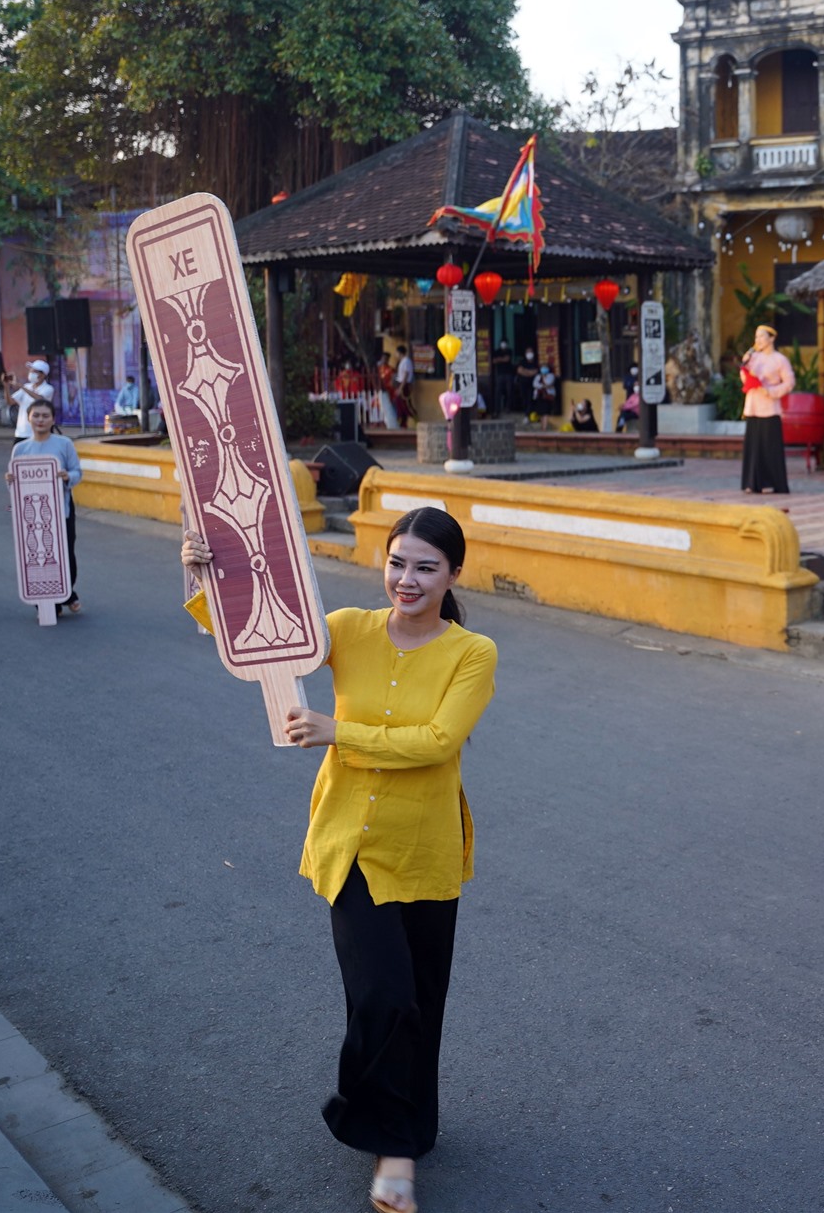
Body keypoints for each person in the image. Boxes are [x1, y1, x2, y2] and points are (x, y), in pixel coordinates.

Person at [181, 506, 496, 1213]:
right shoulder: (350, 628)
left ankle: (414, 1125)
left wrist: (335, 731)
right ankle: (393, 1149)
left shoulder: (472, 654)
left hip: (426, 849)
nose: (406, 579)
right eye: (397, 562)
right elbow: (267, 642)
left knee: (420, 998)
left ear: (452, 575)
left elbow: (439, 741)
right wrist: (205, 577)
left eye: (424, 567)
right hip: (349, 843)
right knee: (383, 996)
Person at [9, 398, 84, 615]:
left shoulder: (64, 444)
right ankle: (45, 600)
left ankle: (67, 592)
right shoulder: (21, 448)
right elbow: (14, 482)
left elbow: (77, 473)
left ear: (52, 419)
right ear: (28, 418)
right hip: (31, 515)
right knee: (36, 554)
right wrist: (11, 480)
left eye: (45, 416)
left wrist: (66, 476)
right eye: (36, 415)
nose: (40, 420)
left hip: (62, 509)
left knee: (65, 553)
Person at [740, 325, 795, 494]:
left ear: (771, 338)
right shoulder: (753, 357)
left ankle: (773, 482)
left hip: (770, 407)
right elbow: (744, 377)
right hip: (753, 405)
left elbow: (789, 382)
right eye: (756, 337)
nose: (758, 340)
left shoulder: (780, 360)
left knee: (769, 447)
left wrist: (772, 391)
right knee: (753, 446)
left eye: (762, 337)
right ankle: (752, 482)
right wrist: (746, 366)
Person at [8, 360, 54, 441]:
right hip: (22, 432)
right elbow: (10, 402)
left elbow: (39, 398)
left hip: (37, 433)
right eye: (31, 371)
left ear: (43, 375)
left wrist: (20, 386)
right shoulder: (27, 387)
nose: (31, 373)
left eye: (35, 371)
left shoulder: (48, 388)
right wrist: (6, 387)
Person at [392, 348, 417, 423]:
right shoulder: (402, 361)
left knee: (406, 405)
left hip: (404, 385)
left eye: (396, 353)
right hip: (400, 383)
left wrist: (401, 388)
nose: (396, 355)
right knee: (399, 404)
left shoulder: (406, 361)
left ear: (400, 353)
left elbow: (406, 375)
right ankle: (403, 422)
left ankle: (415, 419)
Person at [516, 348, 540, 415]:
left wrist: (525, 371)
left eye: (531, 352)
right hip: (523, 383)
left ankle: (529, 413)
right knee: (524, 398)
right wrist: (529, 372)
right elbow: (519, 370)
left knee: (530, 398)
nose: (529, 354)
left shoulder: (536, 362)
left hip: (532, 384)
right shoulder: (522, 362)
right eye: (528, 352)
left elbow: (535, 371)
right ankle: (525, 412)